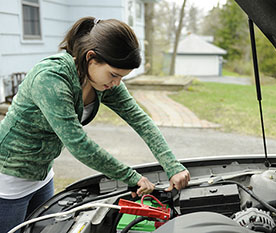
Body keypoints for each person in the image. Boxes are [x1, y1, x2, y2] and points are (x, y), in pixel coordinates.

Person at [0, 17, 190, 233]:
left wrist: (172, 166)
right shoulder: (51, 78)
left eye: (121, 77)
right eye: (114, 75)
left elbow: (140, 120)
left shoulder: (102, 82)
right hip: (8, 177)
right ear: (91, 57)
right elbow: (79, 144)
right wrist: (131, 177)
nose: (116, 83)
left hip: (42, 174)